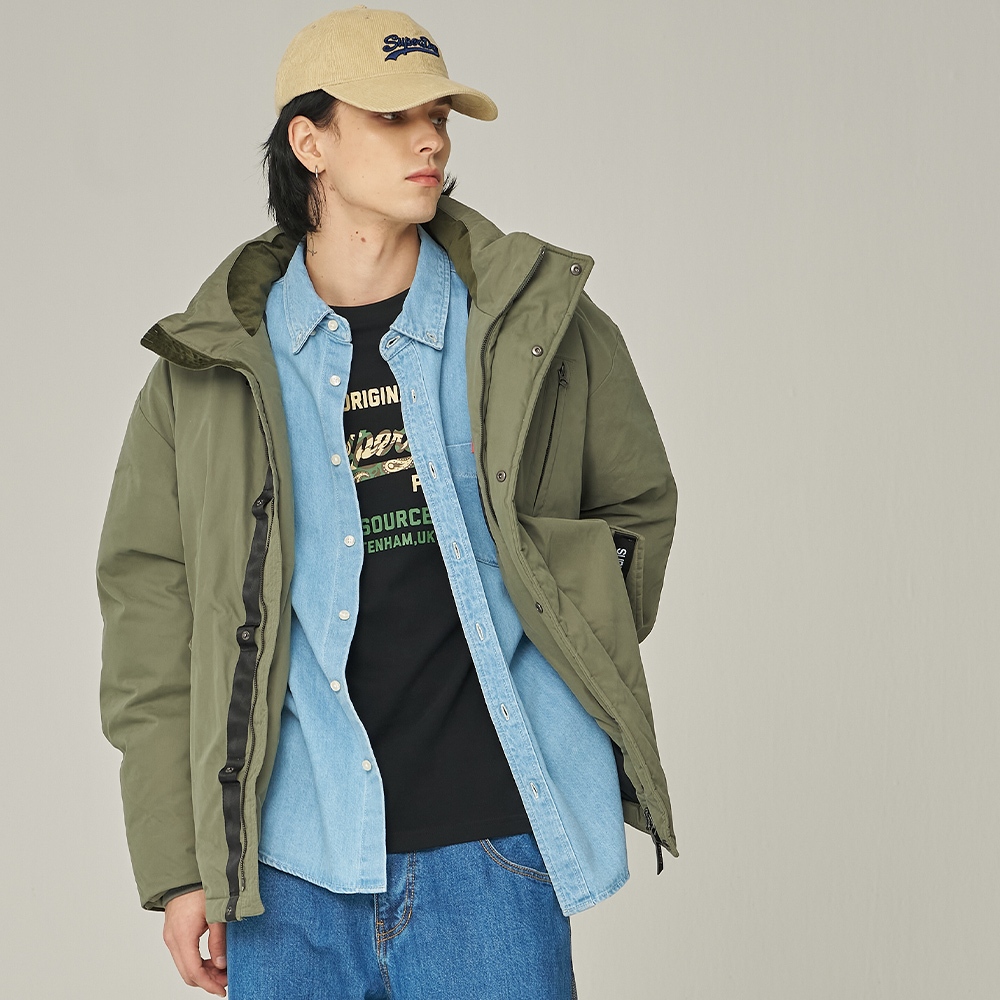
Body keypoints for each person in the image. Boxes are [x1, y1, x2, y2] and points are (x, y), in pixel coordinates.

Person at [97, 6, 678, 998]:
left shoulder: (535, 329)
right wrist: (182, 867)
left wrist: (568, 639)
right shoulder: (209, 372)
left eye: (438, 117)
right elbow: (150, 623)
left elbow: (634, 506)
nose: (430, 140)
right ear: (310, 143)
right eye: (393, 116)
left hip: (494, 848)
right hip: (289, 864)